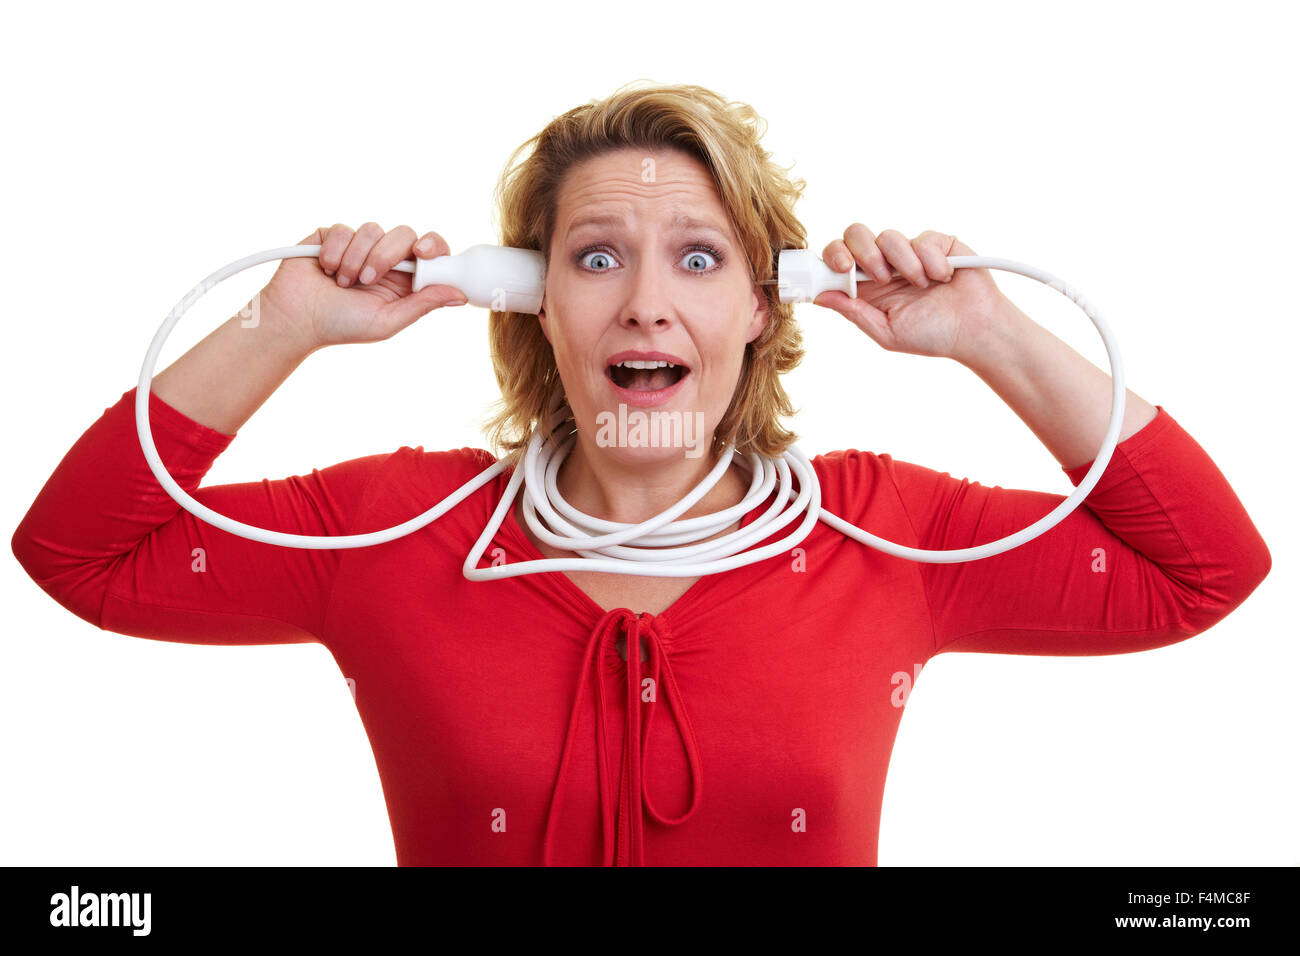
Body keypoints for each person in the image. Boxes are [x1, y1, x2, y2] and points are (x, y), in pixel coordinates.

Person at [11, 81, 1272, 866]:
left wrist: (989, 333)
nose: (648, 307)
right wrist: (279, 325)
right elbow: (81, 555)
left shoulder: (888, 532)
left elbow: (1203, 571)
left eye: (703, 260)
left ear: (767, 312)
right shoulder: (399, 527)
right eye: (597, 258)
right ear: (533, 304)